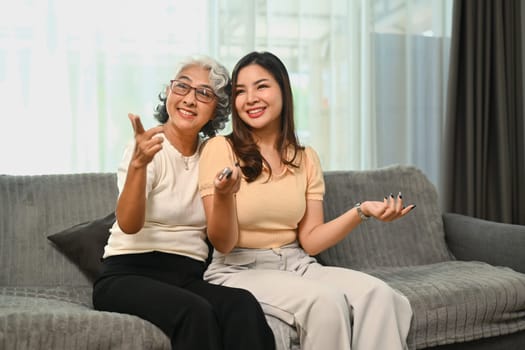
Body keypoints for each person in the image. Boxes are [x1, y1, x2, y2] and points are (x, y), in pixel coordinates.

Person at [198, 51, 414, 350]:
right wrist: (223, 196)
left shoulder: (305, 157)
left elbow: (310, 241)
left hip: (297, 263)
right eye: (240, 91)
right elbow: (222, 244)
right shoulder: (220, 149)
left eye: (261, 86)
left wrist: (362, 211)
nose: (250, 98)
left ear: (283, 91)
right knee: (325, 303)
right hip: (238, 268)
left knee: (379, 295)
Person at [92, 55, 275, 350]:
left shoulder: (213, 155)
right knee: (195, 313)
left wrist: (225, 196)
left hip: (187, 276)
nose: (190, 99)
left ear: (217, 109)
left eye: (204, 94)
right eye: (182, 88)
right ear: (169, 94)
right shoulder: (147, 147)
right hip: (127, 274)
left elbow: (225, 243)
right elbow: (128, 223)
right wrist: (139, 166)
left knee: (242, 306)